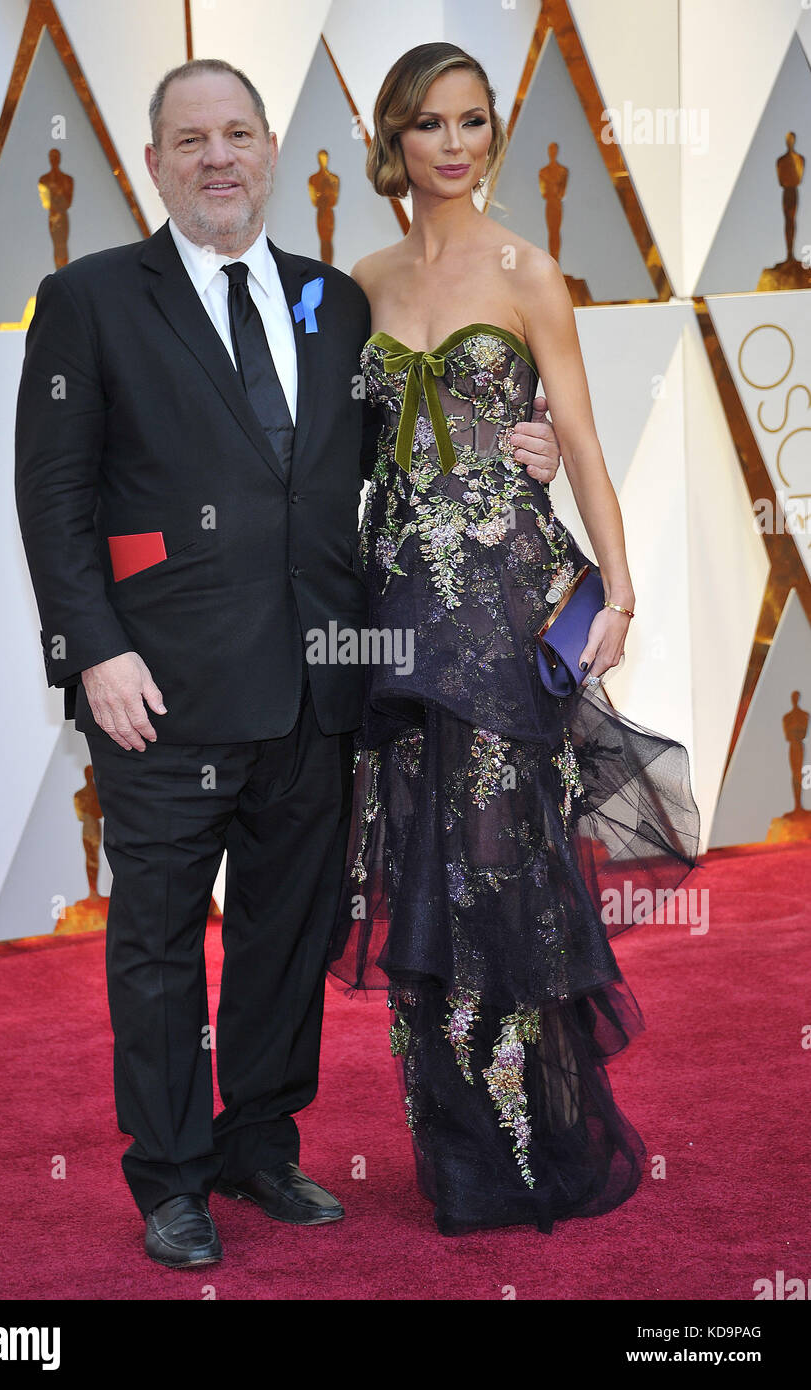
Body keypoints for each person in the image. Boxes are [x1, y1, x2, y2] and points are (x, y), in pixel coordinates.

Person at [14, 56, 566, 1267]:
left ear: (270, 150)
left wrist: (514, 446)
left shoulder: (333, 301)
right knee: (157, 941)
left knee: (284, 930)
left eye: (238, 135)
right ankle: (168, 1177)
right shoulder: (93, 298)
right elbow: (51, 496)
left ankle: (259, 1140)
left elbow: (403, 444)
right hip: (155, 690)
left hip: (319, 683)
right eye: (190, 139)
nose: (218, 158)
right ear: (154, 162)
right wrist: (90, 649)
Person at [328, 43, 701, 1237]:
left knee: (500, 860)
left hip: (505, 604)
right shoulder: (358, 281)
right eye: (430, 123)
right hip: (400, 611)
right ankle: (454, 1145)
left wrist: (623, 590)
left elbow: (579, 443)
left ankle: (532, 1136)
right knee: (420, 860)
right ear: (397, 135)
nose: (453, 143)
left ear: (493, 133)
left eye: (473, 121)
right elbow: (336, 457)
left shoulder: (527, 270)